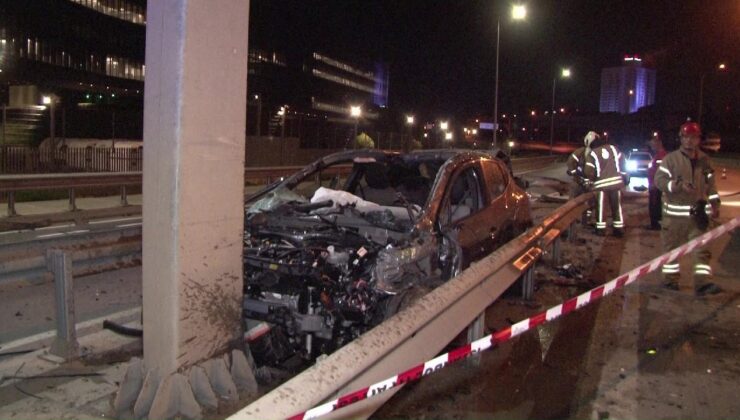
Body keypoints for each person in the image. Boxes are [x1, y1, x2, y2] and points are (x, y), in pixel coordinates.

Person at [654, 121, 721, 295]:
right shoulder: (670, 159)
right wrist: (677, 186)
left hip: (698, 216)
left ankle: (703, 283)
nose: (690, 141)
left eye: (694, 137)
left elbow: (711, 186)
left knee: (702, 251)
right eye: (686, 137)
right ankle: (670, 281)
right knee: (672, 252)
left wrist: (715, 203)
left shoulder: (705, 160)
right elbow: (659, 181)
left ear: (699, 139)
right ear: (681, 138)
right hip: (674, 217)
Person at [584, 131, 626, 237]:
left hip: (601, 186)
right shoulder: (613, 148)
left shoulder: (592, 154)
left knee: (601, 207)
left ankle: (601, 230)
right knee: (617, 207)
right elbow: (622, 162)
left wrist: (590, 182)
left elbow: (589, 171)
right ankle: (619, 229)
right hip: (616, 183)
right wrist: (623, 176)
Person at [566, 134, 593, 223]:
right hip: (578, 181)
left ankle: (585, 220)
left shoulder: (595, 153)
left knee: (588, 202)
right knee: (573, 201)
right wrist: (576, 175)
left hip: (588, 183)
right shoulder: (579, 152)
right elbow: (570, 162)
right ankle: (571, 219)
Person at [645, 133, 667, 230]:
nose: (652, 147)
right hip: (655, 185)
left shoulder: (661, 156)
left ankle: (655, 224)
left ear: (659, 144)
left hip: (656, 186)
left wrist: (654, 183)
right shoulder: (658, 155)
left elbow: (659, 171)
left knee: (655, 205)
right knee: (655, 205)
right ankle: (655, 223)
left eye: (653, 144)